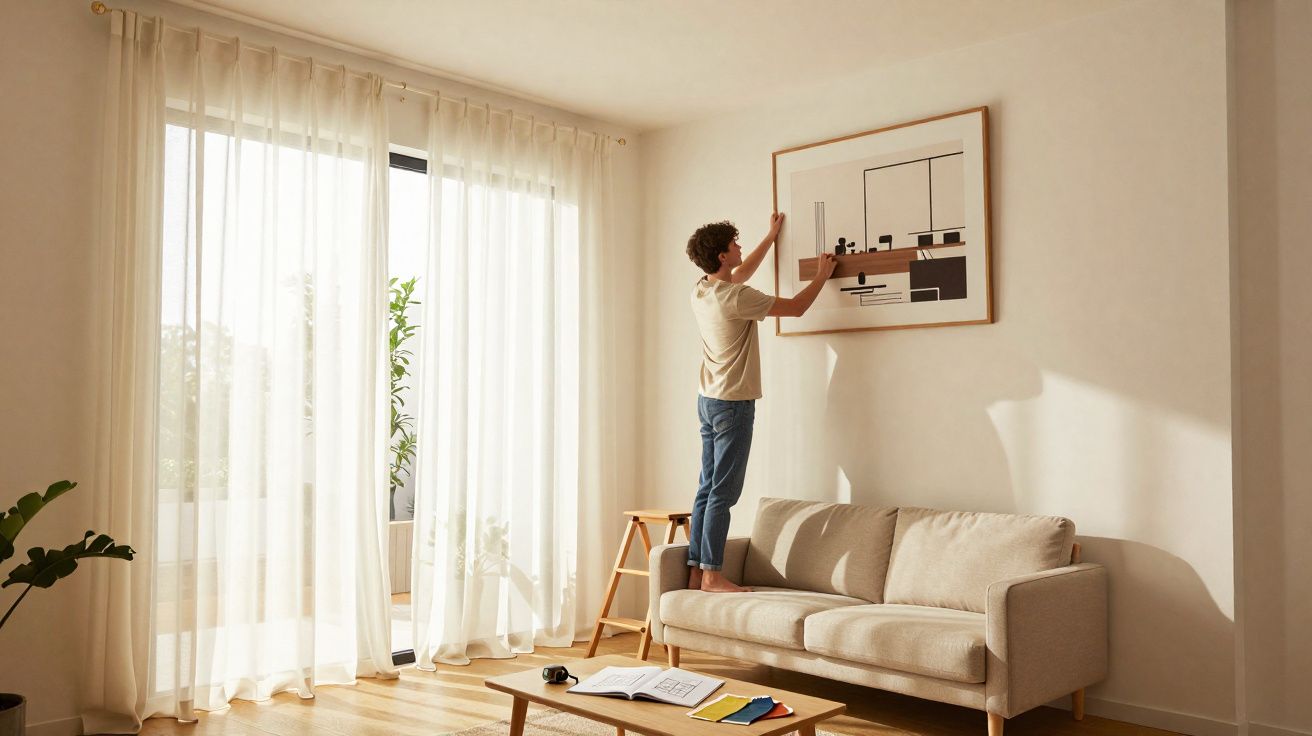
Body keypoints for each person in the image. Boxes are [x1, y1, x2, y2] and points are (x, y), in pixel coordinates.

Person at [684, 213, 837, 593]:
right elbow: (798, 307)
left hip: (708, 400)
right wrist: (822, 274)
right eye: (734, 245)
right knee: (724, 492)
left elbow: (739, 274)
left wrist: (771, 237)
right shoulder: (736, 298)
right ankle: (712, 576)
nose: (739, 248)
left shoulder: (703, 290)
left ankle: (696, 569)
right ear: (722, 256)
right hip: (733, 404)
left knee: (706, 488)